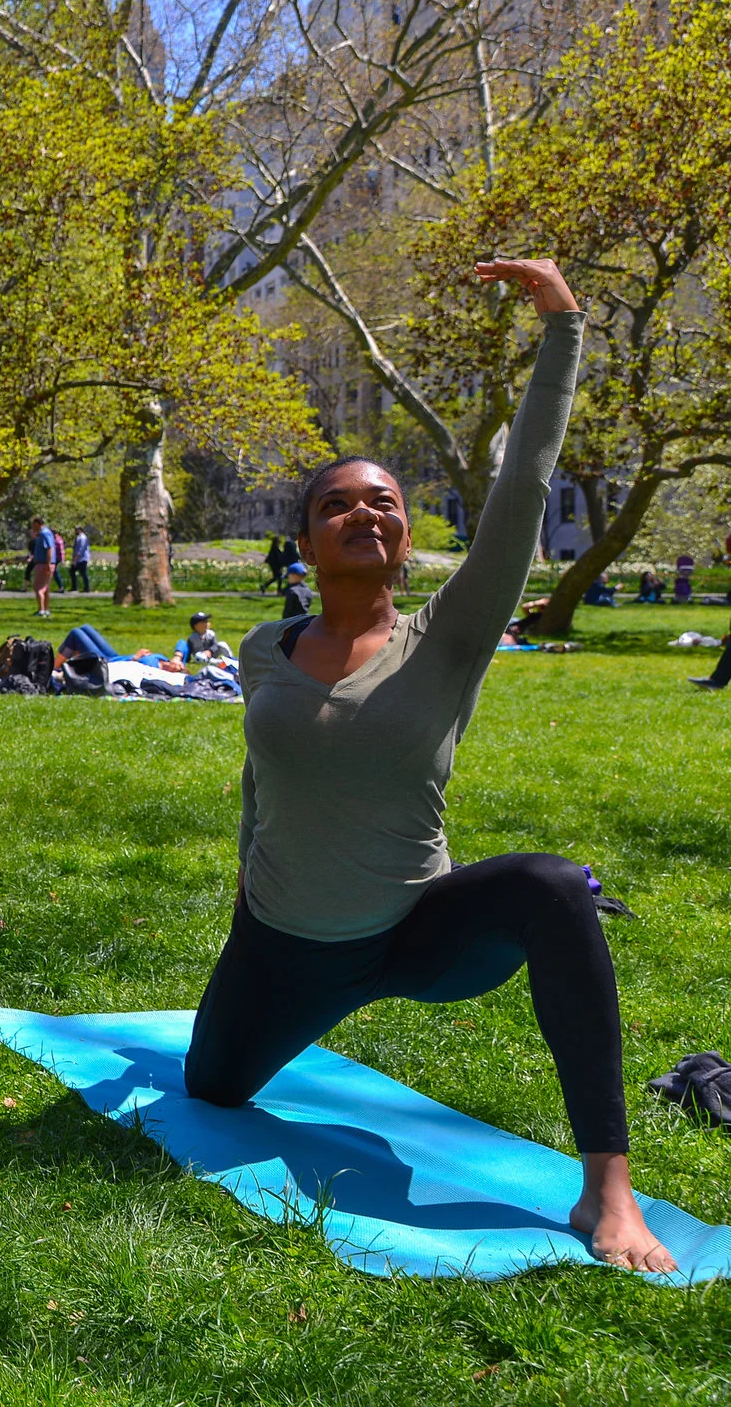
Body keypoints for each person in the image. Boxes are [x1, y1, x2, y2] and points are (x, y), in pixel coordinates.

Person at [184, 256, 673, 1272]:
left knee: (551, 886)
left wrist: (561, 327)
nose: (364, 513)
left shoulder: (447, 637)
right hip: (280, 945)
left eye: (383, 501)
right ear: (303, 542)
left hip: (414, 931)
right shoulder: (265, 650)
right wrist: (246, 894)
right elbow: (263, 783)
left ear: (404, 536)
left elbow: (524, 485)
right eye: (337, 505)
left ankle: (607, 1188)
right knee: (211, 1090)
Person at [27, 516, 59, 619]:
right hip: (43, 563)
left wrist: (48, 563)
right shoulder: (44, 533)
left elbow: (49, 548)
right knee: (45, 588)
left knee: (38, 587)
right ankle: (46, 609)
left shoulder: (44, 533)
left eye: (33, 525)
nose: (32, 527)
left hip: (43, 564)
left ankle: (41, 610)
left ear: (37, 523)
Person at [69, 526, 93, 594]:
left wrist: (76, 557)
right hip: (79, 559)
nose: (75, 531)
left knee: (83, 573)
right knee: (72, 571)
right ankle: (75, 587)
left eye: (76, 530)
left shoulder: (82, 538)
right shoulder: (79, 537)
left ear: (80, 530)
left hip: (82, 558)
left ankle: (86, 588)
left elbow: (81, 549)